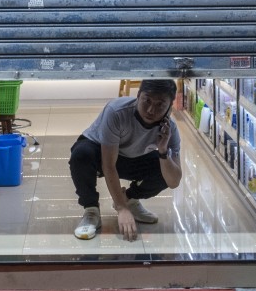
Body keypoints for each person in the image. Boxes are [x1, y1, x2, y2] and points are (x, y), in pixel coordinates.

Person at [69, 79, 183, 241]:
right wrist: (121, 209)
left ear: (170, 106)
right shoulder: (116, 111)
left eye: (160, 105)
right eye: (147, 101)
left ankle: (130, 199)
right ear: (138, 96)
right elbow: (108, 165)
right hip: (101, 152)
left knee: (166, 170)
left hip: (134, 157)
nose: (151, 110)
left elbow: (174, 181)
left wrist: (163, 151)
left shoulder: (170, 128)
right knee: (81, 155)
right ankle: (91, 210)